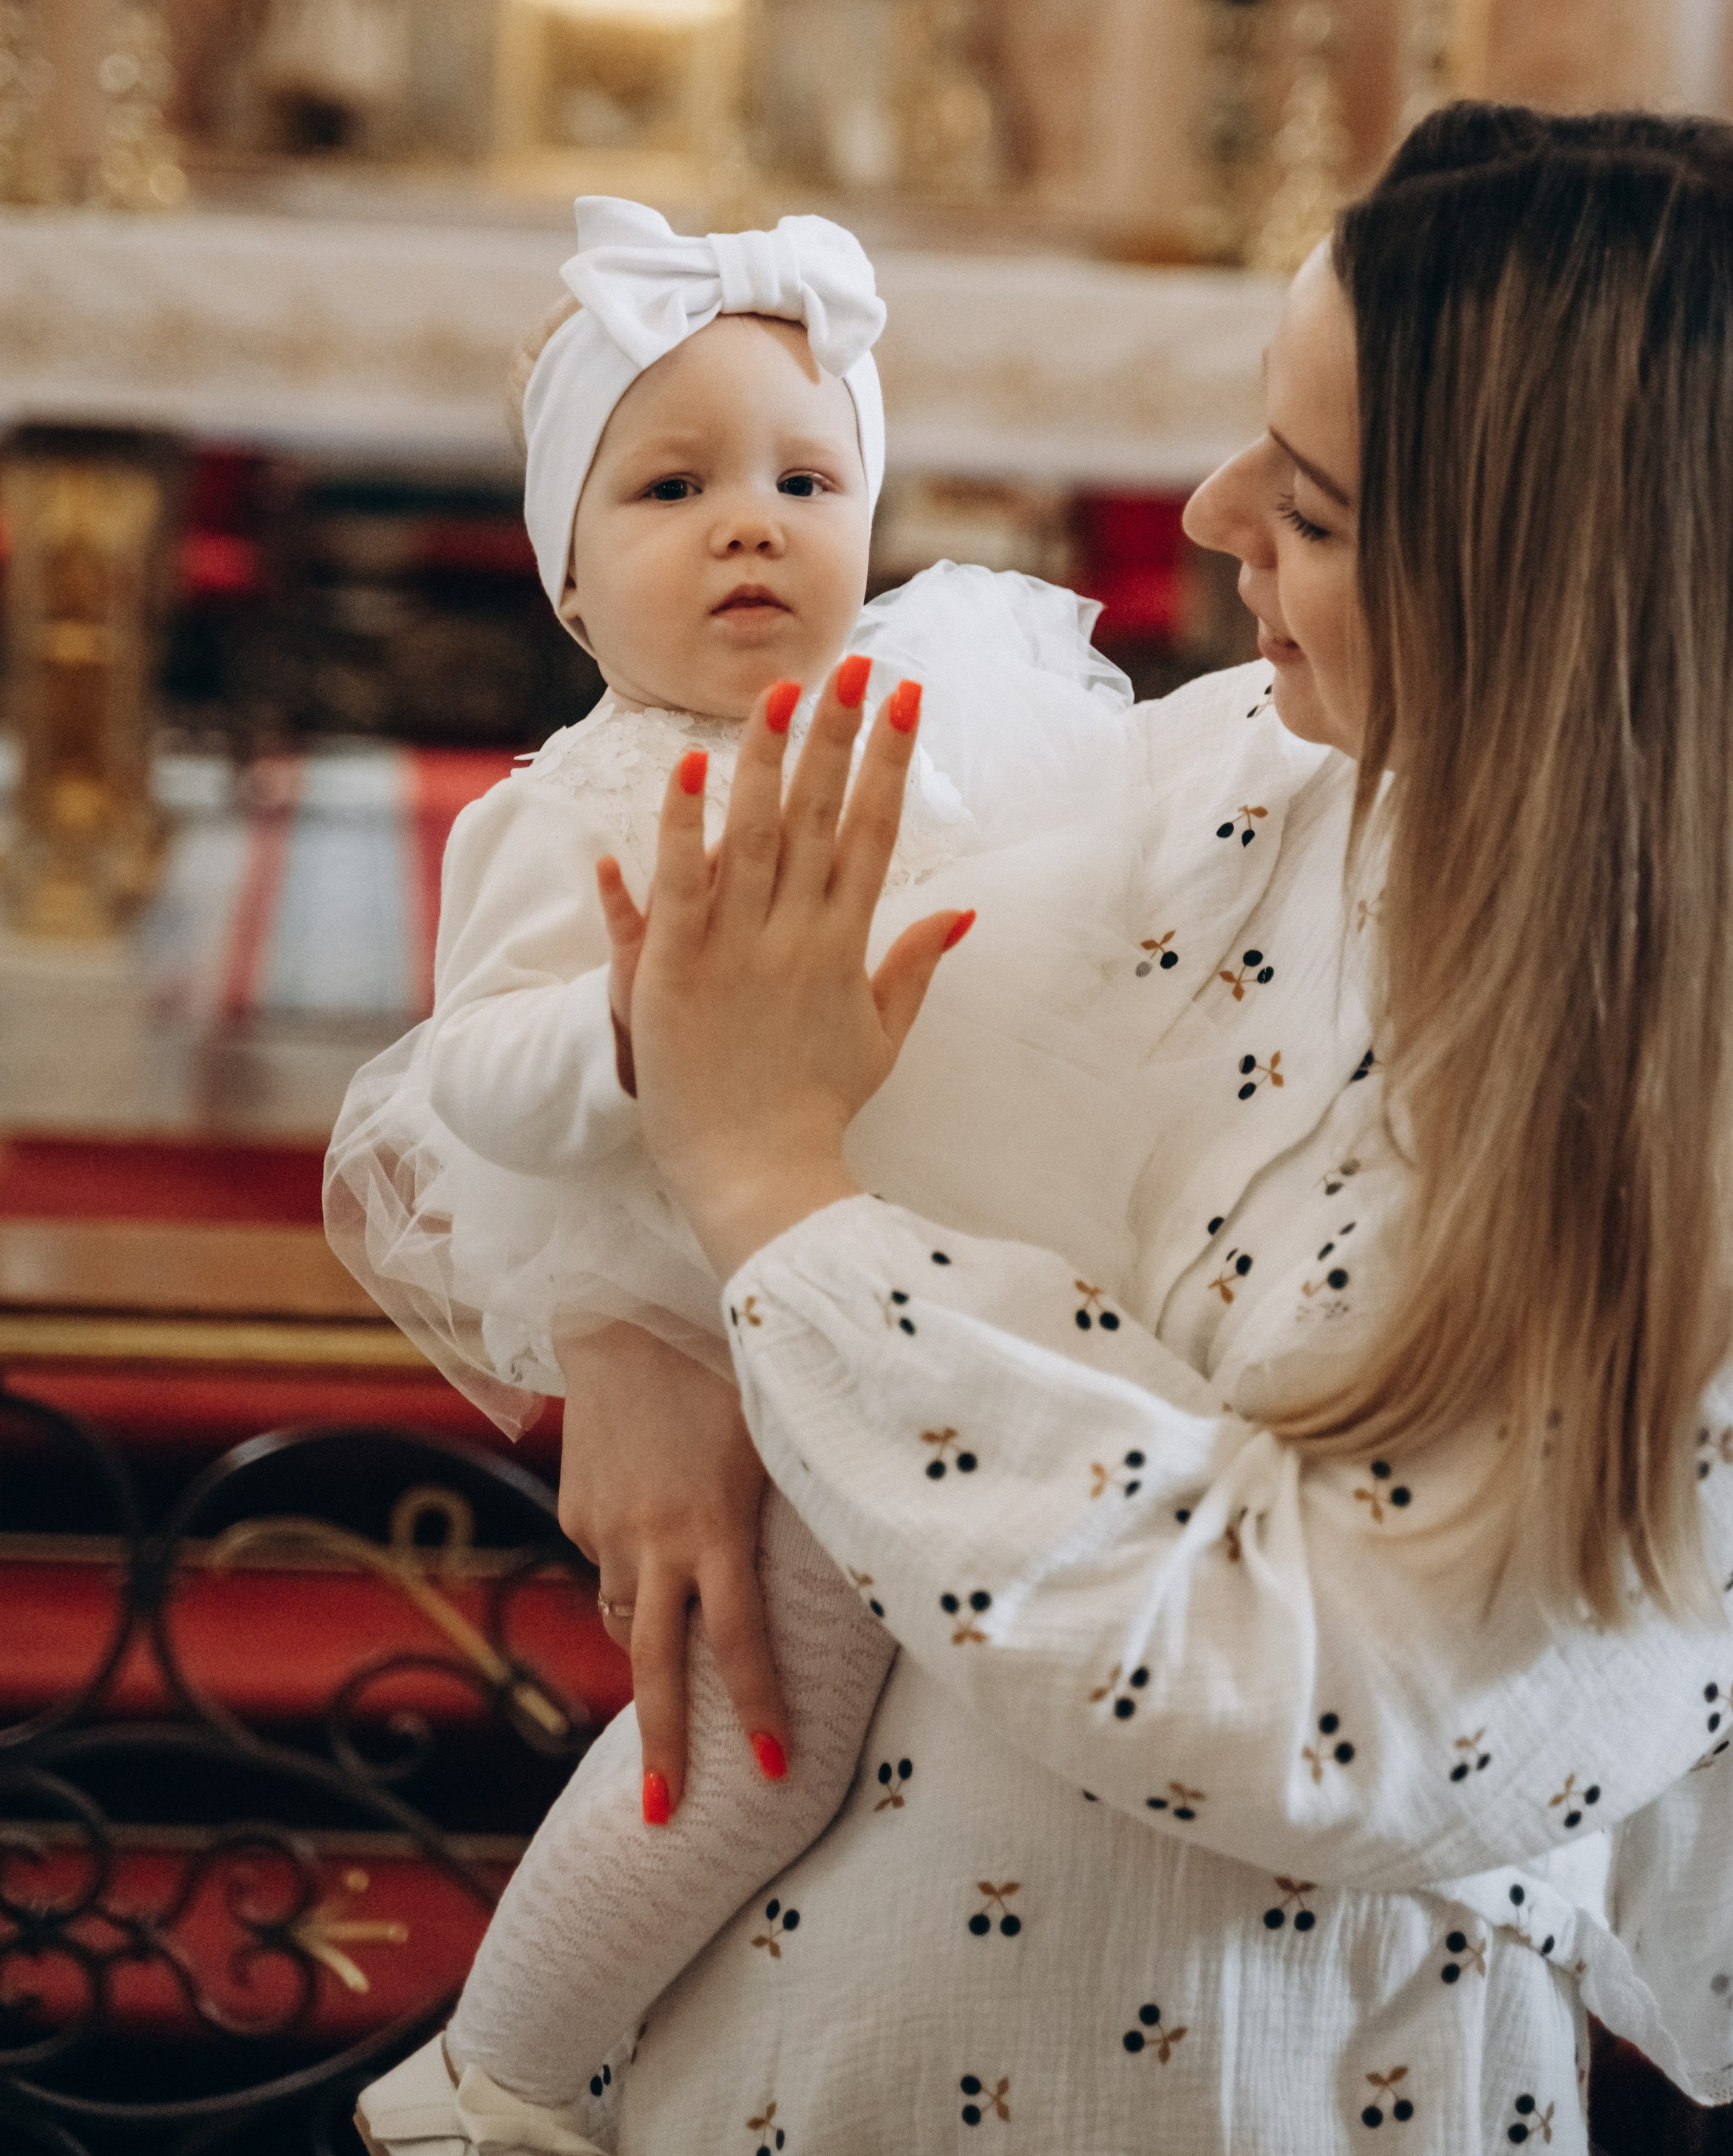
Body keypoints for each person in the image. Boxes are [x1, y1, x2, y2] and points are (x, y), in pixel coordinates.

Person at [535, 107, 1733, 2151]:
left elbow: (1339, 1708)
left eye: (1323, 507)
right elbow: (754, 1028)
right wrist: (637, 1330)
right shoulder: (1248, 768)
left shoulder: (1677, 1095)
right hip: (779, 2049)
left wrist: (772, 1220)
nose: (1205, 511)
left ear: (1556, 584)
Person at [335, 198, 1192, 2156]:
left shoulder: (935, 716)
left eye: (809, 476)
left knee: (892, 1735)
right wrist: (634, 1030)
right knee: (755, 1739)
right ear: (565, 580)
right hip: (723, 1311)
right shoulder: (582, 808)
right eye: (672, 484)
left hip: (931, 1276)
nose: (752, 519)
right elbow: (470, 1063)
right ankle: (493, 2073)